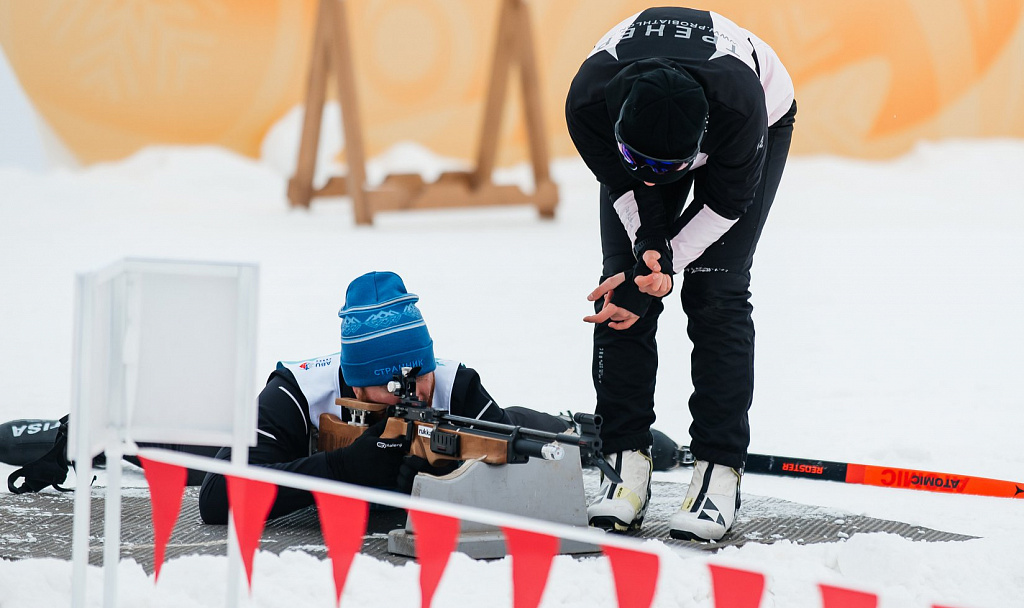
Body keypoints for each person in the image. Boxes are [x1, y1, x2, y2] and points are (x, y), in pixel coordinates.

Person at [565, 7, 796, 541]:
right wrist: (644, 258)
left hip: (753, 121)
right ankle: (624, 461)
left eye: (672, 172)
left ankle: (719, 470)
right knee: (619, 288)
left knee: (718, 292)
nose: (659, 181)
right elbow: (626, 187)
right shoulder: (588, 100)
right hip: (638, 128)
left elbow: (723, 206)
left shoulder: (741, 109)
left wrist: (666, 265)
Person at [198, 271, 569, 524]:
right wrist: (339, 469)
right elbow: (215, 497)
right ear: (355, 387)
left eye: (421, 372)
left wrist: (446, 480)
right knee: (187, 452)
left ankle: (567, 419)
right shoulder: (298, 392)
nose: (418, 393)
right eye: (394, 388)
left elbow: (519, 474)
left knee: (531, 428)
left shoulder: (455, 385)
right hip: (250, 441)